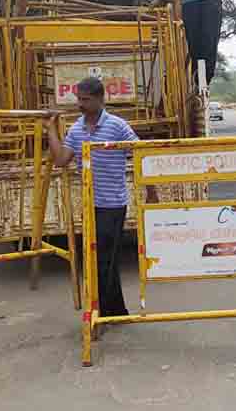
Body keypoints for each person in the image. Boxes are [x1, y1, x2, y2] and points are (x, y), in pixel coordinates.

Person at [47, 78, 158, 318]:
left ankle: (104, 312)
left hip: (113, 204)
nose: (81, 104)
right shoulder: (76, 129)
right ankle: (114, 311)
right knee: (97, 259)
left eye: (85, 99)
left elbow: (141, 155)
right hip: (89, 204)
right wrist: (50, 131)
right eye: (79, 99)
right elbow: (61, 160)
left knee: (104, 260)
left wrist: (152, 192)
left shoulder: (117, 126)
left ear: (100, 99)